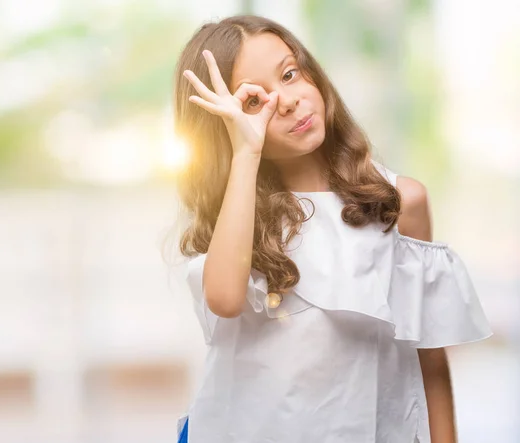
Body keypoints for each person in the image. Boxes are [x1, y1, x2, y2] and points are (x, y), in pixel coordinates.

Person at [171, 14, 492, 443]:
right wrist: (246, 152)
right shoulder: (239, 215)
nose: (286, 101)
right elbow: (226, 299)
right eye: (254, 101)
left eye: (290, 74)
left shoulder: (401, 203)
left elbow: (430, 363)